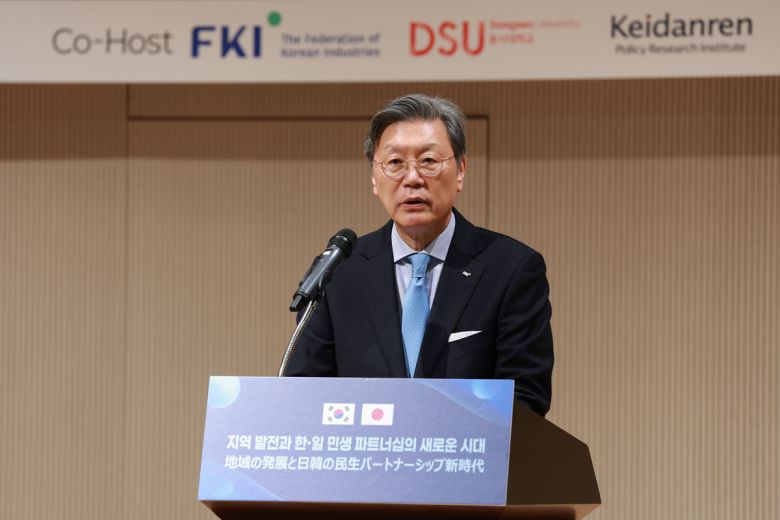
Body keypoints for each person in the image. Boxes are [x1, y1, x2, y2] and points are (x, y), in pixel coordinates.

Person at [286, 94, 554, 416]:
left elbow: (525, 400)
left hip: (464, 447)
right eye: (395, 163)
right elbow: (303, 393)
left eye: (428, 161)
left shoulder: (511, 269)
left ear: (460, 170)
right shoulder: (338, 273)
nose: (412, 178)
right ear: (374, 179)